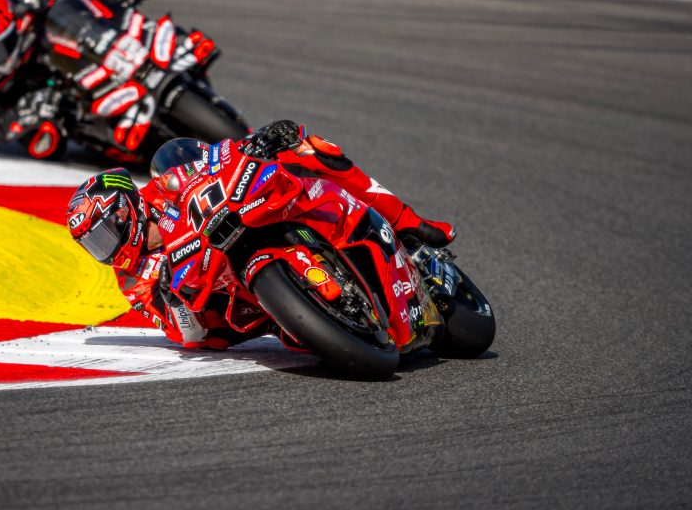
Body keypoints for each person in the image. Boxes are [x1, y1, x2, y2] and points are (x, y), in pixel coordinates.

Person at [66, 120, 456, 349]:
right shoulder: (132, 280)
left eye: (104, 233)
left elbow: (208, 161)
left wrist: (258, 144)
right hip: (245, 307)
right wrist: (174, 299)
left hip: (245, 217)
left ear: (124, 211)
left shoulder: (160, 185)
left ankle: (407, 221)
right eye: (94, 245)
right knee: (255, 339)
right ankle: (325, 316)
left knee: (310, 149)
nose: (107, 247)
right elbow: (189, 334)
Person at [0, 0, 153, 160]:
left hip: (70, 56)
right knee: (45, 143)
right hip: (44, 100)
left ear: (15, 25)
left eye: (4, 43)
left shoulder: (23, 3)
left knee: (71, 10)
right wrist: (24, 112)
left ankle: (135, 45)